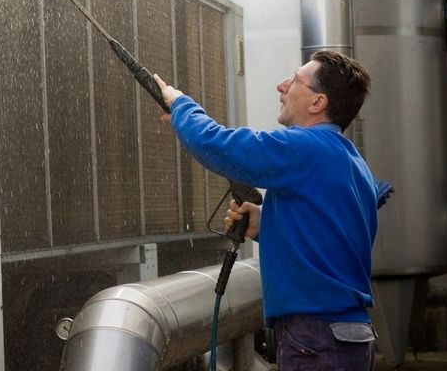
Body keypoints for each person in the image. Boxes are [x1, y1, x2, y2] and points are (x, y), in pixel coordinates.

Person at [154, 50, 387, 371]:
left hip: (316, 338)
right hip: (346, 337)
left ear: (318, 103)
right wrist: (265, 226)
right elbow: (332, 237)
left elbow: (222, 147)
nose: (281, 86)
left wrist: (182, 106)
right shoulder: (350, 161)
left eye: (294, 80)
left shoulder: (307, 147)